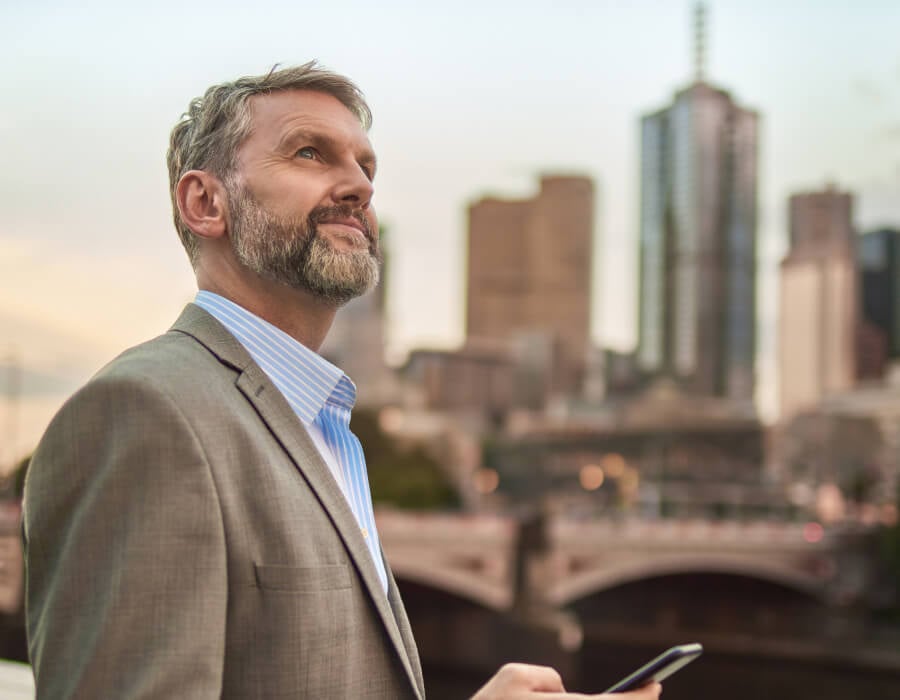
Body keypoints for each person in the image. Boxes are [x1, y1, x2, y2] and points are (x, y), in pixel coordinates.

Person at [23, 63, 662, 700]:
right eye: (309, 153)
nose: (359, 186)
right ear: (206, 203)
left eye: (366, 168)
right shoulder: (145, 412)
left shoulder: (322, 426)